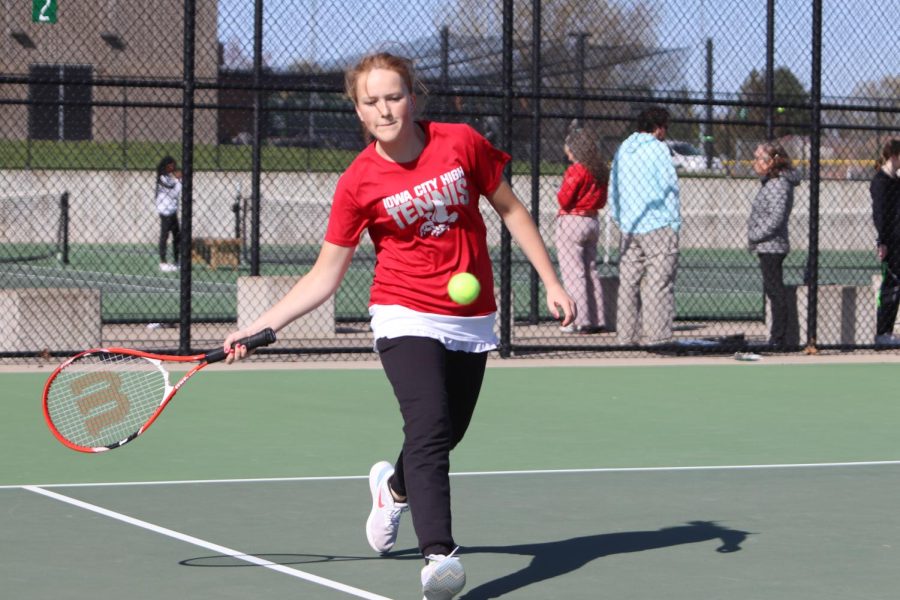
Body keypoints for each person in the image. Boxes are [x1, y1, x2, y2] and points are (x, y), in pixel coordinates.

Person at [220, 52, 575, 600]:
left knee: (448, 431)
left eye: (393, 96)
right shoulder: (358, 182)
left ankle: (393, 489)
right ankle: (440, 556)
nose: (384, 109)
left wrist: (551, 281)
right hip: (402, 309)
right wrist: (258, 325)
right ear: (358, 111)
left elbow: (511, 209)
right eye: (371, 101)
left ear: (413, 96)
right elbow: (324, 276)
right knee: (430, 423)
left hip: (470, 315)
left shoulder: (459, 143)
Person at [608, 107, 681, 345]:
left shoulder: (623, 150)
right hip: (658, 223)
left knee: (628, 282)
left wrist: (618, 217)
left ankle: (626, 336)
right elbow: (669, 186)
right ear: (659, 127)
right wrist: (674, 221)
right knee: (659, 282)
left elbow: (613, 187)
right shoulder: (659, 149)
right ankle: (657, 336)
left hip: (630, 225)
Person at [747, 141, 800, 350]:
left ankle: (778, 338)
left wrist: (755, 235)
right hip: (767, 245)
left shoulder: (778, 185)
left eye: (759, 157)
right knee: (772, 290)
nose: (755, 162)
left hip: (772, 246)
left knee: (775, 291)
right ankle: (777, 336)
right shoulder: (771, 182)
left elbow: (776, 218)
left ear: (770, 162)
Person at [555, 126, 608, 334]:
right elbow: (602, 200)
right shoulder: (599, 170)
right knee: (591, 271)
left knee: (573, 273)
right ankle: (598, 319)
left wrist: (560, 191)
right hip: (592, 220)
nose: (566, 152)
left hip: (573, 221)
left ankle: (579, 319)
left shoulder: (576, 170)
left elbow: (564, 199)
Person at [870, 139, 900, 346]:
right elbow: (880, 215)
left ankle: (886, 331)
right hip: (892, 242)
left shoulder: (895, 181)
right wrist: (882, 241)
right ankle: (883, 331)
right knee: (892, 285)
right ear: (895, 156)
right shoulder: (881, 182)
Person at [154, 156, 181, 272]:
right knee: (164, 235)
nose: (173, 166)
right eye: (171, 164)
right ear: (166, 166)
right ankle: (163, 261)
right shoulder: (162, 179)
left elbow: (177, 191)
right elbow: (174, 193)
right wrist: (179, 180)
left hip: (173, 210)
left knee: (177, 236)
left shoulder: (170, 178)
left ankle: (177, 260)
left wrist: (179, 180)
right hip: (165, 211)